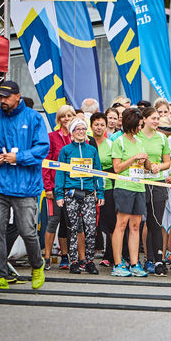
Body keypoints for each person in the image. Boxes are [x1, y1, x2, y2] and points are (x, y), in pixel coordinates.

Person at [0, 80, 48, 289]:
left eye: (6, 97)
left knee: (27, 231)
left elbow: (42, 148)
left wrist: (18, 158)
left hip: (25, 185)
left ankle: (37, 265)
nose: (2, 101)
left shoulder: (34, 118)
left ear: (18, 96)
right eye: (0, 97)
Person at [55, 117, 105, 274]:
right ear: (72, 133)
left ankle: (89, 261)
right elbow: (60, 173)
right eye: (78, 129)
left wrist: (101, 192)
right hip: (70, 194)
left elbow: (98, 173)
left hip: (89, 193)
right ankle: (74, 261)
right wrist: (59, 194)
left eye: (84, 129)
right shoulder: (66, 150)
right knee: (73, 228)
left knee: (91, 228)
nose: (82, 132)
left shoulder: (92, 150)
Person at [111, 107, 153, 277]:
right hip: (124, 187)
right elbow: (117, 168)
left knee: (135, 225)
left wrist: (148, 162)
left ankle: (134, 263)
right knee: (121, 224)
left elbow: (148, 167)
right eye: (138, 125)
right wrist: (134, 158)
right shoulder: (118, 142)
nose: (140, 128)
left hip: (139, 186)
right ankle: (118, 263)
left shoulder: (140, 142)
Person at [137, 107, 171, 276]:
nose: (156, 121)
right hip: (139, 183)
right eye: (153, 118)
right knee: (138, 223)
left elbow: (168, 163)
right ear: (144, 119)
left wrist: (159, 166)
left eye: (158, 118)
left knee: (156, 223)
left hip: (157, 183)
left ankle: (158, 260)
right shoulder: (136, 136)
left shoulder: (162, 138)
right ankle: (141, 258)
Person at [42, 104, 76, 269]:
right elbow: (46, 164)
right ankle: (47, 257)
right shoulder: (51, 137)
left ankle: (65, 255)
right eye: (63, 116)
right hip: (56, 187)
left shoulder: (77, 137)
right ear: (59, 119)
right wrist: (48, 187)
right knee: (53, 221)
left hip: (73, 187)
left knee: (68, 222)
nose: (67, 119)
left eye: (70, 116)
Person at [90, 112, 116, 267]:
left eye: (102, 125)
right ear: (91, 126)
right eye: (96, 124)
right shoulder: (86, 142)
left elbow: (115, 167)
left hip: (108, 187)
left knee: (109, 222)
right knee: (90, 222)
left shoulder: (111, 144)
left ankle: (110, 254)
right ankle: (88, 254)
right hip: (87, 187)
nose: (99, 127)